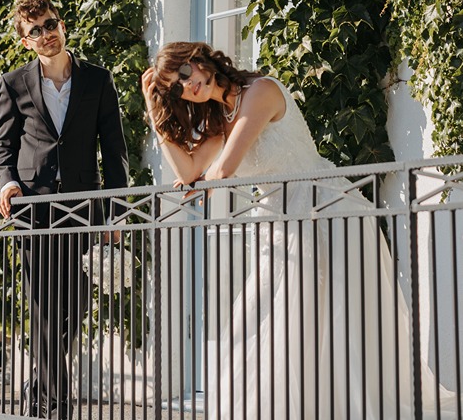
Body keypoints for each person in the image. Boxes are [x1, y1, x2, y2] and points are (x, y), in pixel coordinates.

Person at [142, 41, 458, 420]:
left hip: (329, 214)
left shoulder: (260, 92)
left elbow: (221, 171)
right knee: (255, 328)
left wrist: (204, 180)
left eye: (184, 74)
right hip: (282, 231)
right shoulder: (219, 122)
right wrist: (153, 109)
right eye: (175, 88)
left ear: (198, 60)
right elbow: (188, 172)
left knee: (335, 332)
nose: (186, 86)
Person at [0, 0, 129, 420]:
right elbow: (4, 144)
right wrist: (8, 183)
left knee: (72, 309)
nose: (45, 34)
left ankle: (37, 388)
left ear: (62, 24)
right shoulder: (14, 83)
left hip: (84, 208)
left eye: (49, 24)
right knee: (44, 307)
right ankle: (57, 408)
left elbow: (115, 150)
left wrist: (115, 212)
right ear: (25, 41)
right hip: (34, 210)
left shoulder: (98, 80)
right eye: (34, 30)